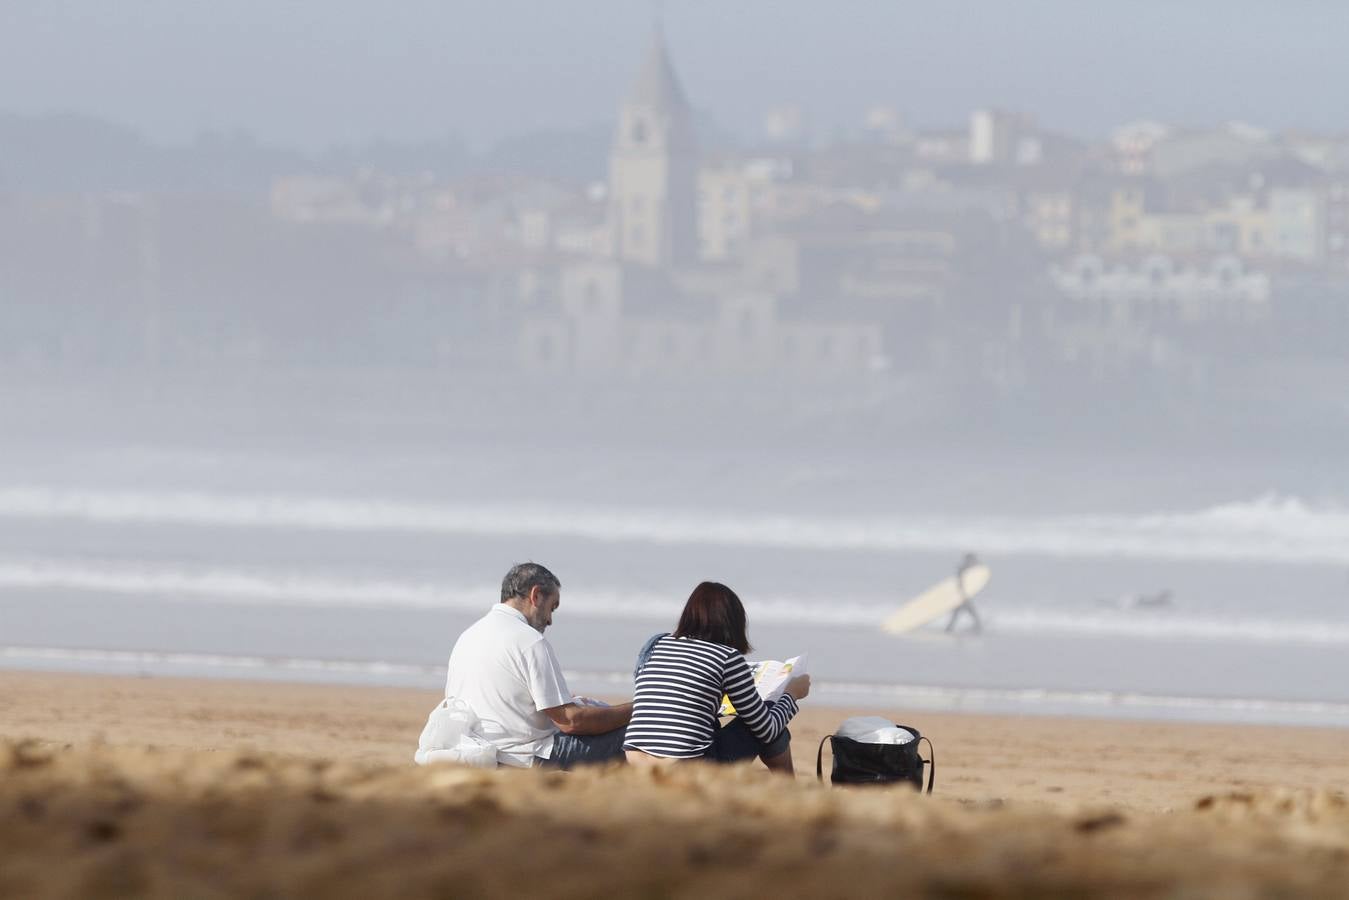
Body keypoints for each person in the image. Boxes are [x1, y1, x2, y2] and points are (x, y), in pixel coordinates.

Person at [444, 562, 632, 769]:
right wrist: (639, 710)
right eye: (552, 607)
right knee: (639, 731)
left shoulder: (468, 636)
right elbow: (570, 722)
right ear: (535, 596)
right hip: (522, 755)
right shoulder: (529, 640)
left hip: (477, 749)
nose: (550, 620)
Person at [623, 581, 809, 774]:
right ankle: (790, 794)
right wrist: (791, 694)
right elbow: (767, 729)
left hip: (635, 760)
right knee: (772, 726)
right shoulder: (726, 657)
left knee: (720, 722)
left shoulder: (656, 643)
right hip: (686, 766)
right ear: (733, 622)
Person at [944, 552, 983, 634]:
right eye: (972, 559)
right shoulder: (963, 569)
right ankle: (978, 626)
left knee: (957, 614)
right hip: (962, 596)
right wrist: (963, 595)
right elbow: (960, 584)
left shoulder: (966, 569)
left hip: (961, 596)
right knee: (970, 612)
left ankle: (949, 628)